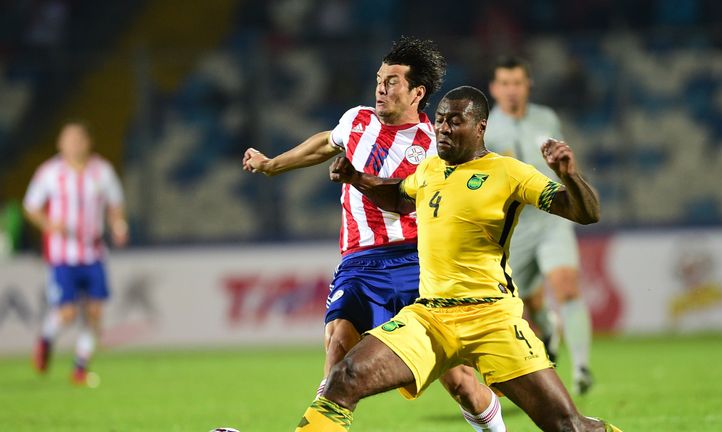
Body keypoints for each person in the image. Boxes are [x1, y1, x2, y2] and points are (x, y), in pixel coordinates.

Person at [295, 86, 621, 432]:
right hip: (431, 316)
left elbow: (585, 213)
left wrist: (569, 176)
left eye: (455, 121)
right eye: (439, 120)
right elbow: (398, 197)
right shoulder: (430, 169)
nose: (443, 128)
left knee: (568, 426)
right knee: (344, 377)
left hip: (490, 318)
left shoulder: (510, 172)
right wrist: (356, 179)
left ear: (480, 127)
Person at [243, 37, 506, 431]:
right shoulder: (357, 120)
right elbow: (326, 142)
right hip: (358, 260)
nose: (381, 88)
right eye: (379, 80)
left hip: (416, 262)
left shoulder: (435, 147)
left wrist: (357, 178)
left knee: (459, 379)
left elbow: (408, 199)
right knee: (338, 344)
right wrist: (273, 165)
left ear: (418, 92)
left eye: (392, 82)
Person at [486, 55, 594, 394]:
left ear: (527, 85)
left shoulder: (547, 118)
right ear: (494, 88)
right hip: (514, 227)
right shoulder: (486, 128)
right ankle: (548, 331)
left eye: (517, 83)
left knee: (567, 286)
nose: (511, 90)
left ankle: (581, 369)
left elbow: (561, 164)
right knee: (527, 304)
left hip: (551, 217)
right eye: (504, 84)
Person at [24, 121, 128, 385]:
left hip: (93, 253)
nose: (73, 144)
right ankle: (46, 340)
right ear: (60, 144)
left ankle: (80, 367)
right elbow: (31, 206)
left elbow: (115, 203)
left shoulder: (101, 171)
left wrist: (118, 225)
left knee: (94, 312)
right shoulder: (49, 172)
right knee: (67, 313)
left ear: (87, 142)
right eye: (68, 139)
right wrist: (49, 224)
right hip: (63, 256)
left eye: (78, 139)